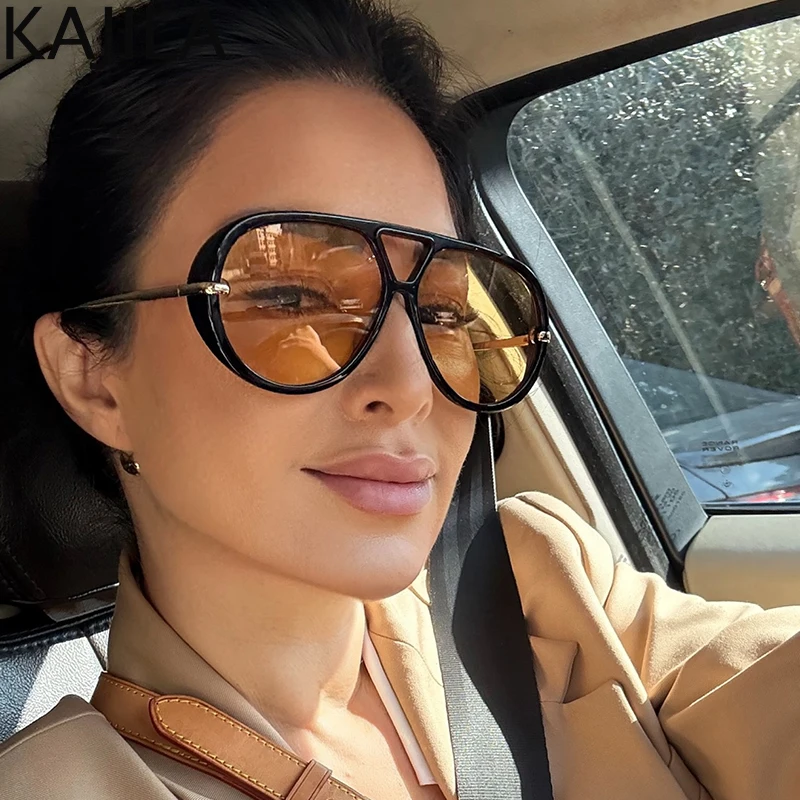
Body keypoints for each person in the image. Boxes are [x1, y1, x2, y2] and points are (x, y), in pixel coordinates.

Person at [1, 1, 798, 799]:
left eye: (444, 311)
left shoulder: (536, 583)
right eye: (289, 296)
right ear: (93, 378)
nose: (412, 386)